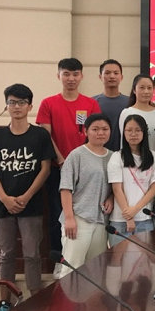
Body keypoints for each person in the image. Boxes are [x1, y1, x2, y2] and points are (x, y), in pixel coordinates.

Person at [0, 84, 54, 297]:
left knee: (32, 254)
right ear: (6, 106)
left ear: (30, 106)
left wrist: (27, 196)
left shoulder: (40, 135)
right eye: (12, 102)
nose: (17, 106)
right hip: (2, 205)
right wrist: (5, 198)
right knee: (6, 254)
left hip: (32, 204)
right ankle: (5, 301)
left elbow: (45, 169)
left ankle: (35, 297)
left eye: (22, 102)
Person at [37, 58, 101, 258]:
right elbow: (45, 135)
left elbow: (93, 134)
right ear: (59, 76)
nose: (71, 78)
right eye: (66, 74)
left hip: (86, 170)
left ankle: (83, 255)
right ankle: (60, 258)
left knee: (83, 212)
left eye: (75, 74)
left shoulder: (91, 104)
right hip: (58, 167)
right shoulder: (48, 103)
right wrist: (62, 160)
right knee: (58, 212)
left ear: (81, 76)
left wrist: (81, 163)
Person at [59, 114, 114, 276]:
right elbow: (65, 188)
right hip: (79, 218)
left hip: (101, 220)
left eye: (105, 129)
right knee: (71, 268)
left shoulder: (113, 156)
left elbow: (114, 186)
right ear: (86, 131)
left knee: (96, 270)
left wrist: (111, 198)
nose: (100, 133)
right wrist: (69, 218)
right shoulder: (77, 155)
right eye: (95, 129)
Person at [107, 114, 155, 244]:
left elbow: (154, 188)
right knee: (119, 257)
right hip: (120, 220)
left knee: (144, 257)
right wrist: (129, 217)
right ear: (123, 132)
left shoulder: (153, 156)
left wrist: (135, 210)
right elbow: (117, 189)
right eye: (129, 130)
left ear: (144, 132)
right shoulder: (117, 157)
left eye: (138, 130)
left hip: (145, 219)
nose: (133, 134)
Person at [119, 74, 155, 154]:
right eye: (142, 88)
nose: (146, 91)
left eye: (149, 88)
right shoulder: (127, 112)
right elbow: (123, 140)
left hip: (154, 159)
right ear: (134, 90)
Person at [93, 59, 128, 151]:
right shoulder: (92, 102)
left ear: (121, 77)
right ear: (100, 77)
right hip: (98, 152)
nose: (112, 76)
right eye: (107, 73)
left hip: (124, 153)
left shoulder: (131, 102)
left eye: (116, 73)